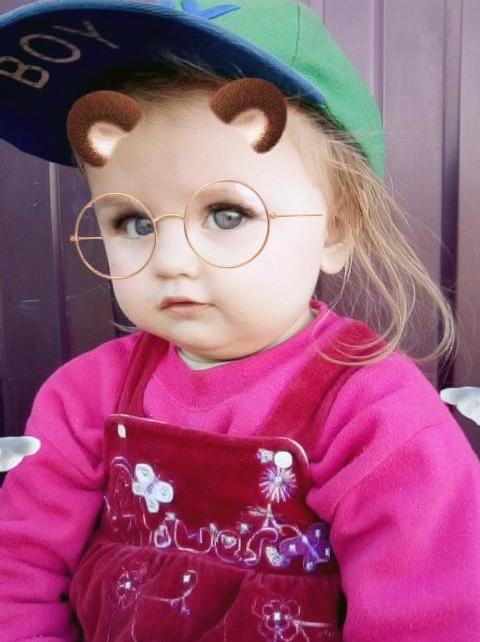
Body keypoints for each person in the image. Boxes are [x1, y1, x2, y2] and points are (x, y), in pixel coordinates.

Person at [0, 1, 479, 640]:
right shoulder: (82, 399)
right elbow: (19, 576)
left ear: (335, 230)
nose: (171, 260)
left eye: (227, 215)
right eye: (133, 222)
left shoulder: (376, 418)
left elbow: (427, 618)